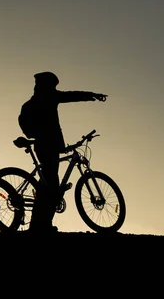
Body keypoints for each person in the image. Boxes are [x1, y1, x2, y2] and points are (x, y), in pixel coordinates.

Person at [23, 71, 107, 234]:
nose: (54, 88)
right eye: (53, 85)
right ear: (46, 85)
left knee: (47, 184)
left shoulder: (36, 101)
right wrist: (92, 95)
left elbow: (71, 95)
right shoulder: (43, 100)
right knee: (51, 184)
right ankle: (42, 225)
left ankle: (40, 224)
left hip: (48, 145)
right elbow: (72, 96)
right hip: (47, 145)